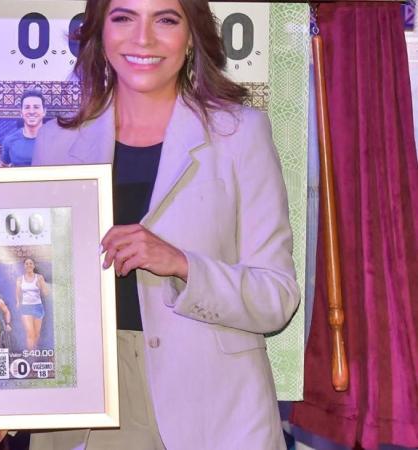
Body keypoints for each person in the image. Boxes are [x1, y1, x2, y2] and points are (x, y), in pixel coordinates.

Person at [29, 0, 300, 448]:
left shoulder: (240, 133)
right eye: (124, 18)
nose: (143, 38)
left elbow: (276, 297)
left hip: (214, 409)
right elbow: (35, 289)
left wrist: (181, 264)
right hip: (90, 405)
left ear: (192, 36)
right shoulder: (57, 142)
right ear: (99, 32)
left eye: (166, 20)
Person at [0, 89, 46, 167]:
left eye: (36, 107)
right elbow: (3, 167)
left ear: (44, 112)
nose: (31, 112)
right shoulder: (9, 141)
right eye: (27, 107)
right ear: (21, 112)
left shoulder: (56, 140)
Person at [15, 258, 49, 350]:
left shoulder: (39, 277)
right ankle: (30, 353)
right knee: (30, 333)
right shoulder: (20, 279)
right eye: (26, 263)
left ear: (34, 266)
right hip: (26, 307)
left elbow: (46, 292)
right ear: (24, 266)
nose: (29, 265)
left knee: (36, 334)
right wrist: (18, 302)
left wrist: (42, 285)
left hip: (37, 307)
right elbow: (17, 292)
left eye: (31, 263)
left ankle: (34, 350)